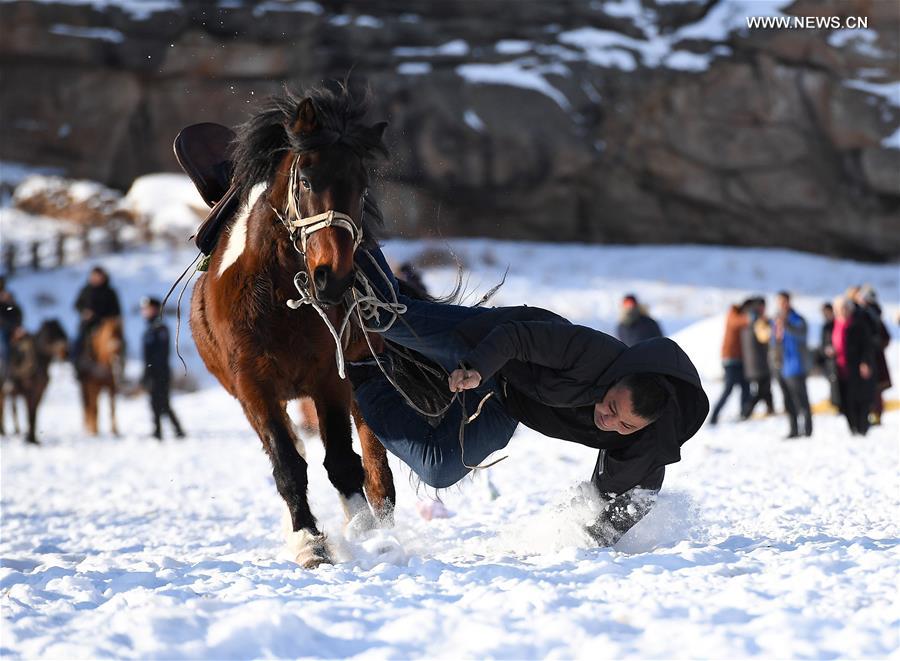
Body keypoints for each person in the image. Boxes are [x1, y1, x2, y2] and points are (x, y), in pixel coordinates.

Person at [347, 246, 709, 547]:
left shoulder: (646, 445)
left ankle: (363, 370)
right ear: (620, 378)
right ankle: (351, 235)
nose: (609, 422)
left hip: (507, 403)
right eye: (612, 406)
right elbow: (515, 338)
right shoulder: (592, 352)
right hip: (489, 347)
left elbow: (627, 503)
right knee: (385, 318)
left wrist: (591, 540)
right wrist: (476, 368)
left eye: (625, 424)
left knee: (438, 469)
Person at [141, 297, 185, 440]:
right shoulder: (149, 328)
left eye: (147, 309)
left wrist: (153, 371)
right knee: (155, 402)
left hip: (160, 372)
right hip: (152, 371)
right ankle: (160, 431)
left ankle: (175, 430)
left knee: (162, 402)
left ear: (155, 309)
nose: (145, 312)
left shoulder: (160, 328)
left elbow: (161, 354)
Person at [832, 296, 876, 436]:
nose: (842, 311)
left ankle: (861, 427)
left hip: (856, 368)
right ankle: (852, 428)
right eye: (839, 309)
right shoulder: (832, 325)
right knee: (844, 400)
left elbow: (867, 346)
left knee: (859, 399)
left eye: (844, 308)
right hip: (839, 369)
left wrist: (865, 362)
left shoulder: (859, 324)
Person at [771, 291, 812, 438]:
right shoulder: (775, 321)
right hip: (781, 366)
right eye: (779, 302)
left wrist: (786, 325)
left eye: (784, 301)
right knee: (787, 401)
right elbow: (773, 342)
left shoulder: (797, 319)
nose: (782, 305)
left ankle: (807, 430)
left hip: (795, 365)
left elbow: (802, 335)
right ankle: (793, 429)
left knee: (801, 400)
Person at [72, 266, 122, 371]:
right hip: (87, 325)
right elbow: (77, 305)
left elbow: (116, 310)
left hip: (104, 325)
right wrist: (85, 312)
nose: (96, 278)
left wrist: (106, 318)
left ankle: (119, 368)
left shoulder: (109, 292)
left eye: (99, 276)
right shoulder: (85, 290)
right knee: (77, 342)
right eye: (94, 276)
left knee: (117, 344)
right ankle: (75, 365)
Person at [709, 302, 750, 425]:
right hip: (730, 360)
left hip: (740, 360)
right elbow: (738, 322)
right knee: (728, 389)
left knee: (746, 387)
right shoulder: (733, 314)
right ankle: (714, 416)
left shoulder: (738, 315)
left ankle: (744, 413)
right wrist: (751, 317)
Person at [858, 287, 891, 426]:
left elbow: (884, 337)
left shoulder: (869, 313)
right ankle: (874, 414)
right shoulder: (874, 313)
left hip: (872, 356)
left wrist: (872, 346)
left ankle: (875, 415)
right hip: (874, 354)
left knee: (874, 387)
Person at [740, 297, 774, 418]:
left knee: (766, 386)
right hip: (757, 361)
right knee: (761, 390)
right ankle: (746, 412)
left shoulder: (747, 317)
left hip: (752, 360)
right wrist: (769, 325)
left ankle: (771, 409)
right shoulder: (757, 320)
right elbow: (764, 336)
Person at [817, 302, 841, 409]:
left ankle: (839, 403)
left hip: (840, 359)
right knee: (833, 381)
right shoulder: (824, 327)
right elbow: (822, 345)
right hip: (829, 360)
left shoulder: (838, 324)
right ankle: (835, 403)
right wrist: (825, 351)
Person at [0, 276, 24, 381]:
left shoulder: (9, 297)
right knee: (4, 346)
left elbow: (16, 311)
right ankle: (6, 374)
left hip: (12, 329)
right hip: (2, 330)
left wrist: (8, 303)